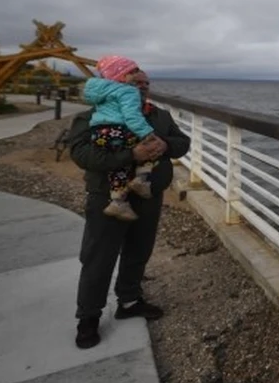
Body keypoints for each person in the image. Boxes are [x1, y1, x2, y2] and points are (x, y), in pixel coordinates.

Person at [70, 66, 190, 349]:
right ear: (118, 83)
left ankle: (130, 300)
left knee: (139, 250)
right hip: (106, 196)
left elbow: (183, 143)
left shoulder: (158, 115)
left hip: (149, 195)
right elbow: (81, 154)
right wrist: (131, 154)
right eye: (136, 82)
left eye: (147, 83)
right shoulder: (92, 116)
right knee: (98, 256)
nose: (143, 87)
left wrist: (165, 144)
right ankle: (88, 317)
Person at [84, 55, 160, 221]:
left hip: (100, 133)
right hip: (118, 131)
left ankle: (118, 201)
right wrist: (148, 133)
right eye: (133, 73)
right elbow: (132, 117)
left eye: (146, 83)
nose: (136, 77)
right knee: (150, 146)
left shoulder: (102, 93)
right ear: (121, 75)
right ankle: (141, 179)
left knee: (118, 168)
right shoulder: (128, 91)